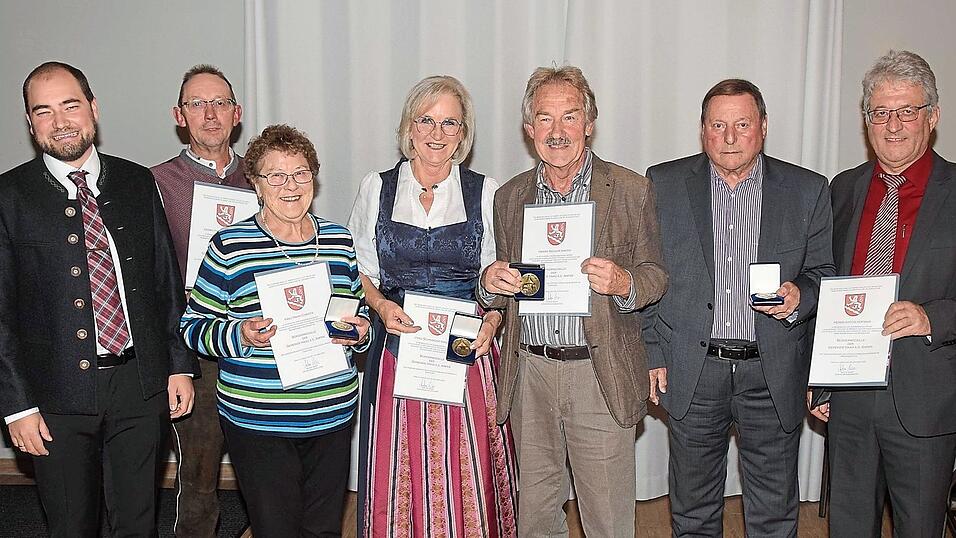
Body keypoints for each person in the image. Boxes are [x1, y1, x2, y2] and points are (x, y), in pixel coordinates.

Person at [0, 61, 197, 536]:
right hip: (54, 399)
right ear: (30, 124)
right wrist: (17, 405)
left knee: (137, 521)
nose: (61, 120)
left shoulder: (135, 181)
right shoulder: (8, 196)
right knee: (72, 524)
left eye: (70, 105)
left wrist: (178, 364)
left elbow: (163, 279)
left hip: (139, 386)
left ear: (93, 108)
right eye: (43, 111)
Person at [479, 66, 667, 537]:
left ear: (589, 123)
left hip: (597, 373)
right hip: (531, 374)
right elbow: (499, 295)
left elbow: (656, 275)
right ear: (529, 129)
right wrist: (490, 283)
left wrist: (625, 282)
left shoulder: (629, 189)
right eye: (545, 119)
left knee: (606, 517)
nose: (557, 131)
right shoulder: (509, 197)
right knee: (536, 516)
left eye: (569, 117)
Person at [642, 78, 834, 537]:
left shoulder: (807, 189)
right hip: (693, 369)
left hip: (772, 373)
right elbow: (646, 272)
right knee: (693, 512)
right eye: (717, 125)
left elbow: (825, 272)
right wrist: (652, 353)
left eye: (742, 124)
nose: (729, 137)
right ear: (702, 129)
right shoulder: (663, 184)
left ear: (763, 127)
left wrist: (801, 296)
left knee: (773, 512)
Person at [180, 124, 370, 537]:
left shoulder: (338, 240)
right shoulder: (230, 246)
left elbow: (357, 316)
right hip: (259, 419)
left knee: (323, 530)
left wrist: (359, 333)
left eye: (301, 173)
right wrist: (240, 335)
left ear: (313, 179)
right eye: (276, 175)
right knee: (276, 529)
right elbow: (192, 327)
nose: (290, 185)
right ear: (256, 184)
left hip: (331, 413)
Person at [349, 75, 518, 537]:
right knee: (398, 461)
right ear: (409, 126)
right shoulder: (376, 188)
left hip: (464, 347)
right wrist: (380, 306)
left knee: (464, 464)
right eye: (427, 120)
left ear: (463, 134)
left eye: (450, 123)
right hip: (396, 345)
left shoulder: (485, 190)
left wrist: (495, 320)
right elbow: (357, 268)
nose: (437, 133)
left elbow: (497, 277)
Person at [810, 50, 956, 537]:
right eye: (880, 112)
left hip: (924, 398)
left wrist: (931, 317)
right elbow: (826, 282)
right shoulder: (843, 189)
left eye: (906, 111)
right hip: (850, 398)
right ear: (866, 119)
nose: (892, 125)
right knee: (849, 527)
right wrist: (821, 375)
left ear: (931, 117)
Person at [151, 64, 249, 538]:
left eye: (220, 103)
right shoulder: (155, 183)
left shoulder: (267, 176)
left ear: (237, 113)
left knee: (265, 471)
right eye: (197, 104)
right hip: (199, 346)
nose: (210, 114)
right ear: (179, 115)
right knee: (199, 477)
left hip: (261, 344)